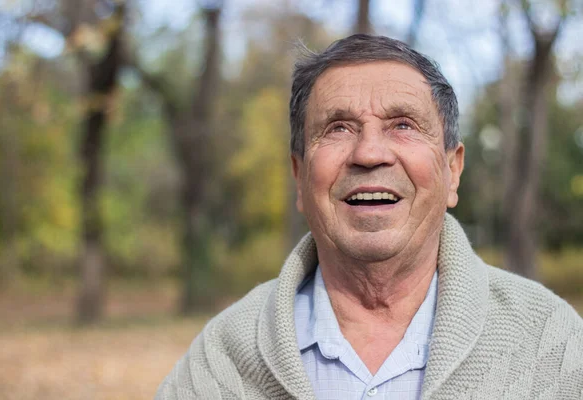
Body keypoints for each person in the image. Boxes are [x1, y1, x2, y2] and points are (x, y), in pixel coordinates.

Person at [155, 34, 583, 400]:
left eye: (403, 125)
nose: (369, 153)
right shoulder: (223, 357)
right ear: (300, 176)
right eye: (338, 127)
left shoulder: (549, 342)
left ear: (452, 171)